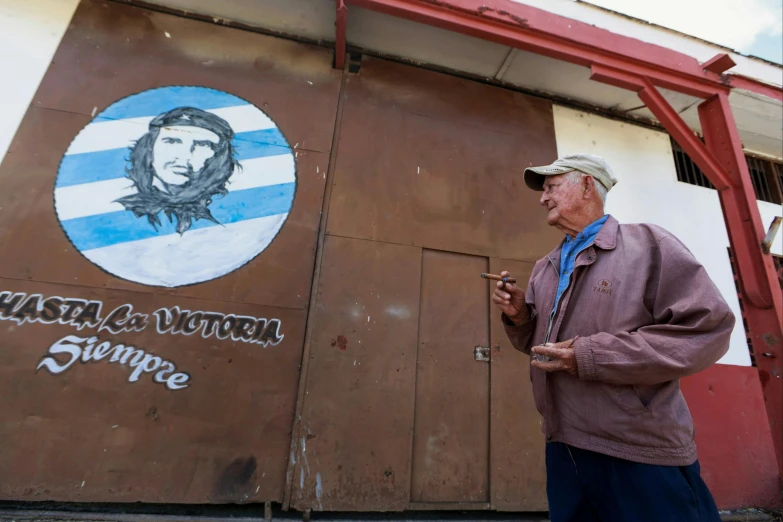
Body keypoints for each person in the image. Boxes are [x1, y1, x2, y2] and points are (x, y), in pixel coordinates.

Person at [492, 154, 733, 521]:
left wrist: (590, 356)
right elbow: (537, 345)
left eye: (552, 187)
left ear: (587, 185)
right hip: (564, 447)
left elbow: (707, 330)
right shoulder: (546, 266)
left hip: (637, 450)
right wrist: (520, 317)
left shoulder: (649, 245)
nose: (543, 198)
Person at [117, 107, 241, 234]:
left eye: (202, 144)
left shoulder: (227, 213)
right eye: (171, 141)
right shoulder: (118, 211)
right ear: (149, 148)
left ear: (219, 157)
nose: (184, 156)